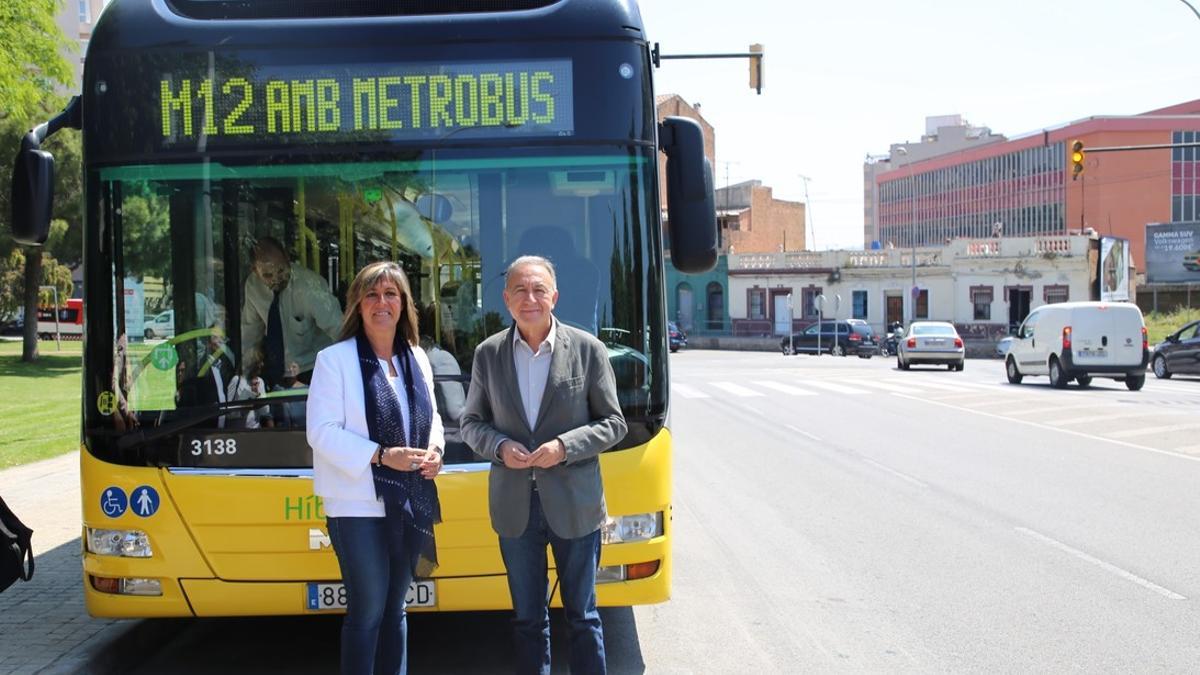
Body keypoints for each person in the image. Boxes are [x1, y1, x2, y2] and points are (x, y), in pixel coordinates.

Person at [461, 255, 627, 675]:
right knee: (528, 621)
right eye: (519, 289)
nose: (529, 298)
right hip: (515, 510)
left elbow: (614, 423)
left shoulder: (588, 349)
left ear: (554, 296)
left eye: (538, 289)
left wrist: (564, 446)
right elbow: (470, 423)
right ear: (506, 299)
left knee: (584, 617)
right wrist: (499, 446)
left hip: (575, 505)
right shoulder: (488, 354)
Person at [306, 261, 445, 675]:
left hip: (408, 501)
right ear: (358, 305)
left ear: (403, 305)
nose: (381, 303)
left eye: (390, 294)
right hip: (356, 508)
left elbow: (432, 417)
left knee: (396, 608)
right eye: (372, 294)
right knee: (368, 611)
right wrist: (382, 456)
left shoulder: (416, 357)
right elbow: (321, 431)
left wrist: (435, 450)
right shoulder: (334, 360)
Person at [242, 236, 342, 388]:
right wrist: (245, 375)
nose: (276, 279)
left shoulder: (310, 286)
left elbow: (339, 329)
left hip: (314, 372)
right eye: (268, 275)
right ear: (255, 270)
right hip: (277, 374)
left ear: (287, 258)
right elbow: (250, 334)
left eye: (281, 270)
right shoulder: (252, 286)